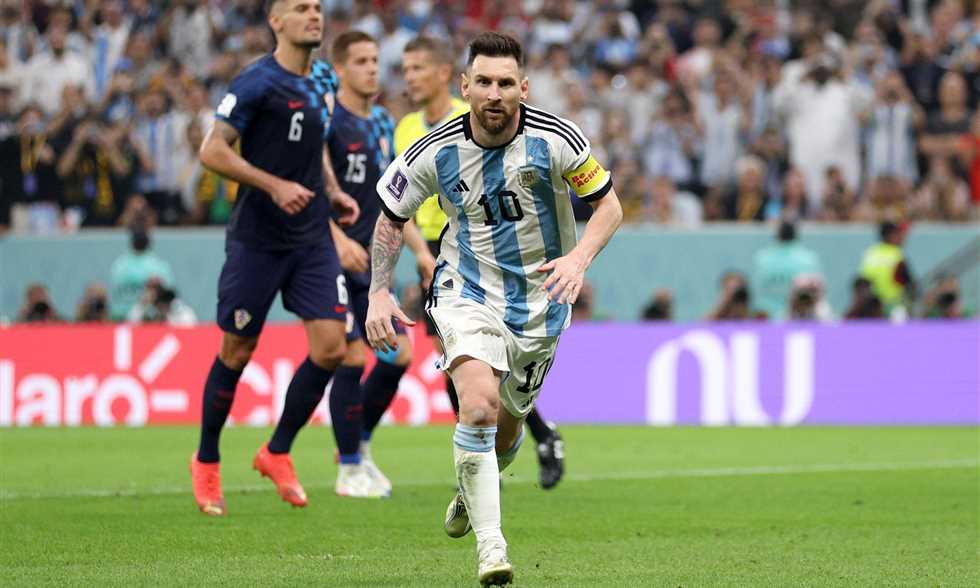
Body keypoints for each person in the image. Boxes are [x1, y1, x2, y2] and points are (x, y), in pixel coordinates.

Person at [366, 33, 623, 585]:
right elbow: (389, 217)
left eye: (506, 83)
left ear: (523, 88)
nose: (494, 93)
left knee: (504, 435)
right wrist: (377, 291)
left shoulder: (556, 139)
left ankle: (472, 488)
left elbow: (608, 205)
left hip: (541, 305)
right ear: (465, 86)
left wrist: (578, 258)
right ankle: (491, 547)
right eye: (483, 81)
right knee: (478, 406)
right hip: (467, 291)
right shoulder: (433, 150)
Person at [189, 0, 360, 518]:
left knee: (331, 348)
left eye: (317, 7)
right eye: (301, 8)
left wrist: (331, 189)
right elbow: (212, 151)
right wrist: (273, 185)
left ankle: (277, 450)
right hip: (258, 239)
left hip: (310, 239)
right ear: (275, 21)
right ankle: (207, 459)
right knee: (237, 349)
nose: (314, 15)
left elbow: (316, 145)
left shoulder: (323, 78)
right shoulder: (256, 82)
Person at [390, 34, 569, 493]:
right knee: (462, 361)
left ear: (446, 76)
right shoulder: (407, 128)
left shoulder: (475, 113)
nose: (409, 78)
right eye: (405, 69)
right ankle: (485, 454)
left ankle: (516, 442)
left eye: (417, 68)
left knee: (485, 366)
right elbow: (400, 204)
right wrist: (420, 252)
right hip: (437, 249)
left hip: (483, 246)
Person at [322, 30, 435, 498]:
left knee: (399, 355)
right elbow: (310, 188)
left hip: (373, 264)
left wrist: (421, 251)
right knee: (349, 356)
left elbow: (393, 202)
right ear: (340, 69)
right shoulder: (329, 120)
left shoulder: (384, 124)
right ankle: (349, 469)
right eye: (362, 61)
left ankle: (359, 447)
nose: (373, 68)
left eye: (374, 59)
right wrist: (335, 239)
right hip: (330, 259)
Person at [752, 221, 823, 320]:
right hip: (798, 318)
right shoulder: (809, 259)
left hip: (768, 317)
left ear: (777, 236)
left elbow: (756, 291)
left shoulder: (762, 258)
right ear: (796, 236)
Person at [109, 226, 175, 321]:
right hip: (129, 317)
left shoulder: (119, 265)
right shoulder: (158, 265)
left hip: (147, 318)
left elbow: (168, 295)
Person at [859, 221, 915, 320]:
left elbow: (863, 281)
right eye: (897, 234)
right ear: (889, 235)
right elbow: (908, 282)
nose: (901, 238)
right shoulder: (897, 255)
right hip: (894, 305)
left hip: (874, 307)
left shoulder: (870, 253)